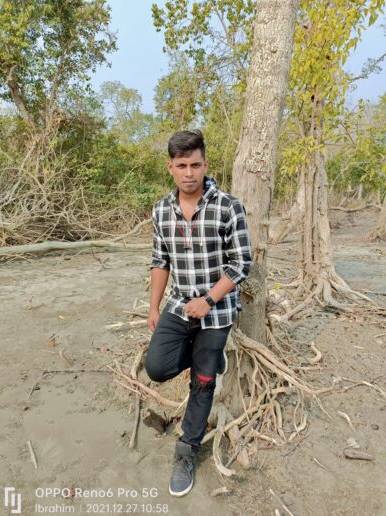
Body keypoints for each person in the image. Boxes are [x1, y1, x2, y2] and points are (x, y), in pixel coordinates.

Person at [145, 129, 252, 497]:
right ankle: (207, 360)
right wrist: (154, 307)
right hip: (178, 305)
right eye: (181, 165)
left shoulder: (228, 206)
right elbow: (160, 261)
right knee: (156, 367)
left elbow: (241, 263)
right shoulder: (161, 210)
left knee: (202, 383)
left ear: (205, 164)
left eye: (195, 164)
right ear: (170, 167)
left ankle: (186, 452)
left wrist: (208, 299)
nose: (189, 172)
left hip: (217, 312)